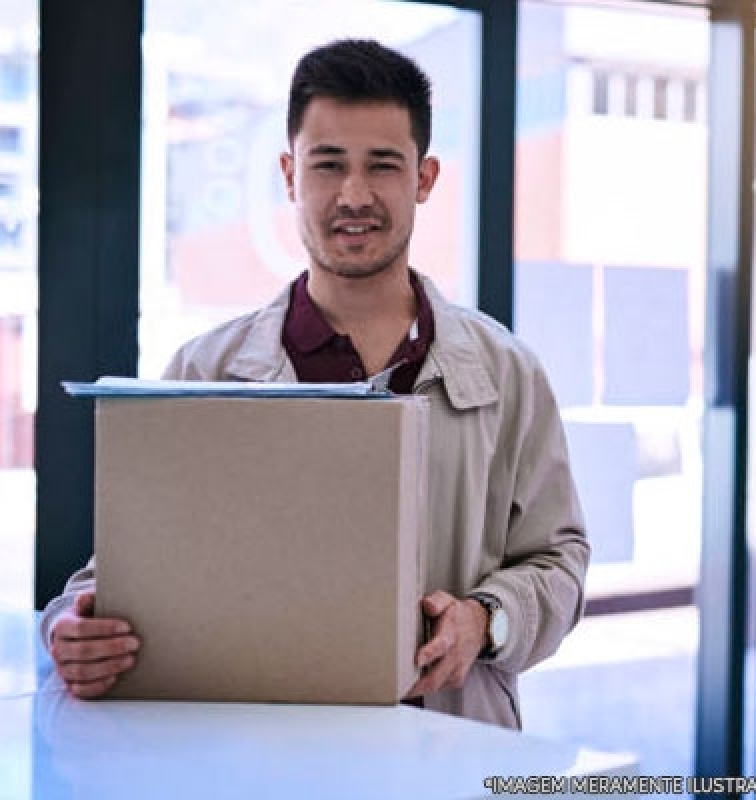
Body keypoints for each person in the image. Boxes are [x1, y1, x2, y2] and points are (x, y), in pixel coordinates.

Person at [42, 38, 589, 730]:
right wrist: (70, 629)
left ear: (423, 178)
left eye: (382, 166)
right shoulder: (200, 373)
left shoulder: (510, 375)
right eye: (327, 165)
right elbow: (111, 581)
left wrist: (486, 619)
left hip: (452, 746)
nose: (353, 195)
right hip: (257, 757)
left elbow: (558, 559)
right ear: (289, 174)